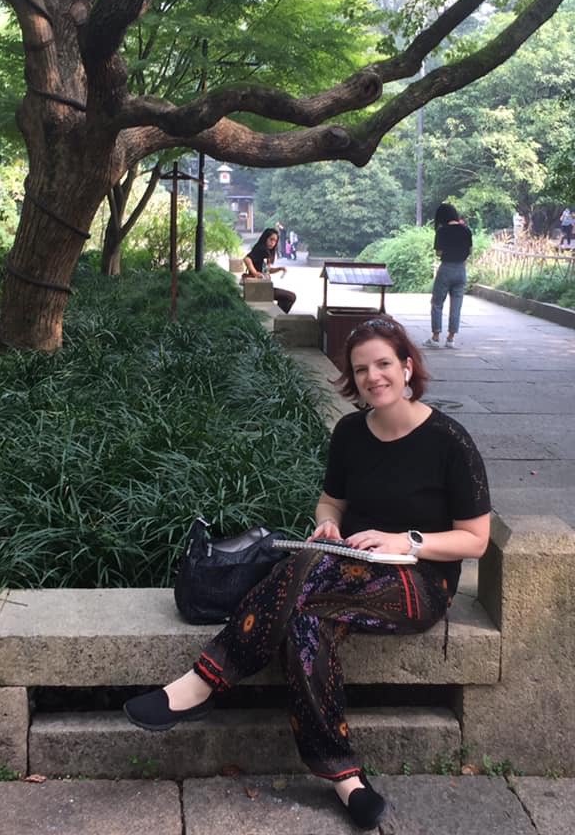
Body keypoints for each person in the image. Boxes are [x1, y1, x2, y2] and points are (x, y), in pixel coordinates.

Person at [124, 317, 491, 831]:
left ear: (407, 367)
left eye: (384, 364)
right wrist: (327, 525)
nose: (373, 377)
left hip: (417, 581)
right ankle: (346, 778)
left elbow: (474, 539)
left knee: (306, 570)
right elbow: (330, 502)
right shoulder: (350, 433)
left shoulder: (449, 440)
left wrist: (406, 541)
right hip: (344, 570)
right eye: (361, 369)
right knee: (304, 622)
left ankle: (203, 681)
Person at [424, 203, 472, 349]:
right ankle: (450, 339)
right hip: (461, 270)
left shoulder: (442, 231)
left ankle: (435, 337)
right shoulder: (466, 230)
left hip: (446, 269)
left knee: (437, 303)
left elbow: (438, 253)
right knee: (456, 305)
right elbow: (470, 250)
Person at [242, 228, 297, 313]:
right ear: (265, 238)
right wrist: (255, 273)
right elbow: (247, 259)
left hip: (264, 286)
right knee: (290, 297)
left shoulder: (267, 251)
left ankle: (276, 315)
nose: (273, 243)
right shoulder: (261, 248)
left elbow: (266, 270)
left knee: (288, 297)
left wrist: (279, 269)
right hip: (258, 288)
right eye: (271, 239)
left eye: (275, 241)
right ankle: (277, 316)